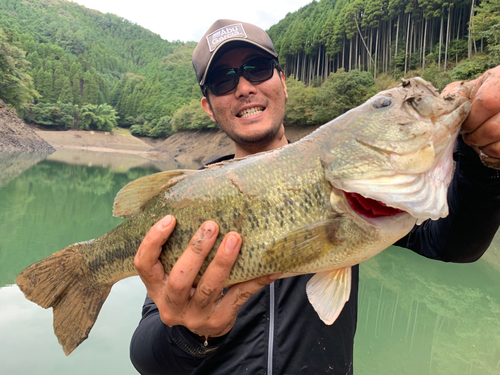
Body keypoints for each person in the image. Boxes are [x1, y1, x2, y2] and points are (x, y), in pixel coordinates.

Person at [130, 19, 500, 374]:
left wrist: (484, 162)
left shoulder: (365, 186)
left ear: (283, 83)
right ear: (208, 106)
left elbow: (454, 245)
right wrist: (191, 334)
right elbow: (146, 356)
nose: (243, 86)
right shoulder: (188, 204)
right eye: (222, 80)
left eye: (257, 67)